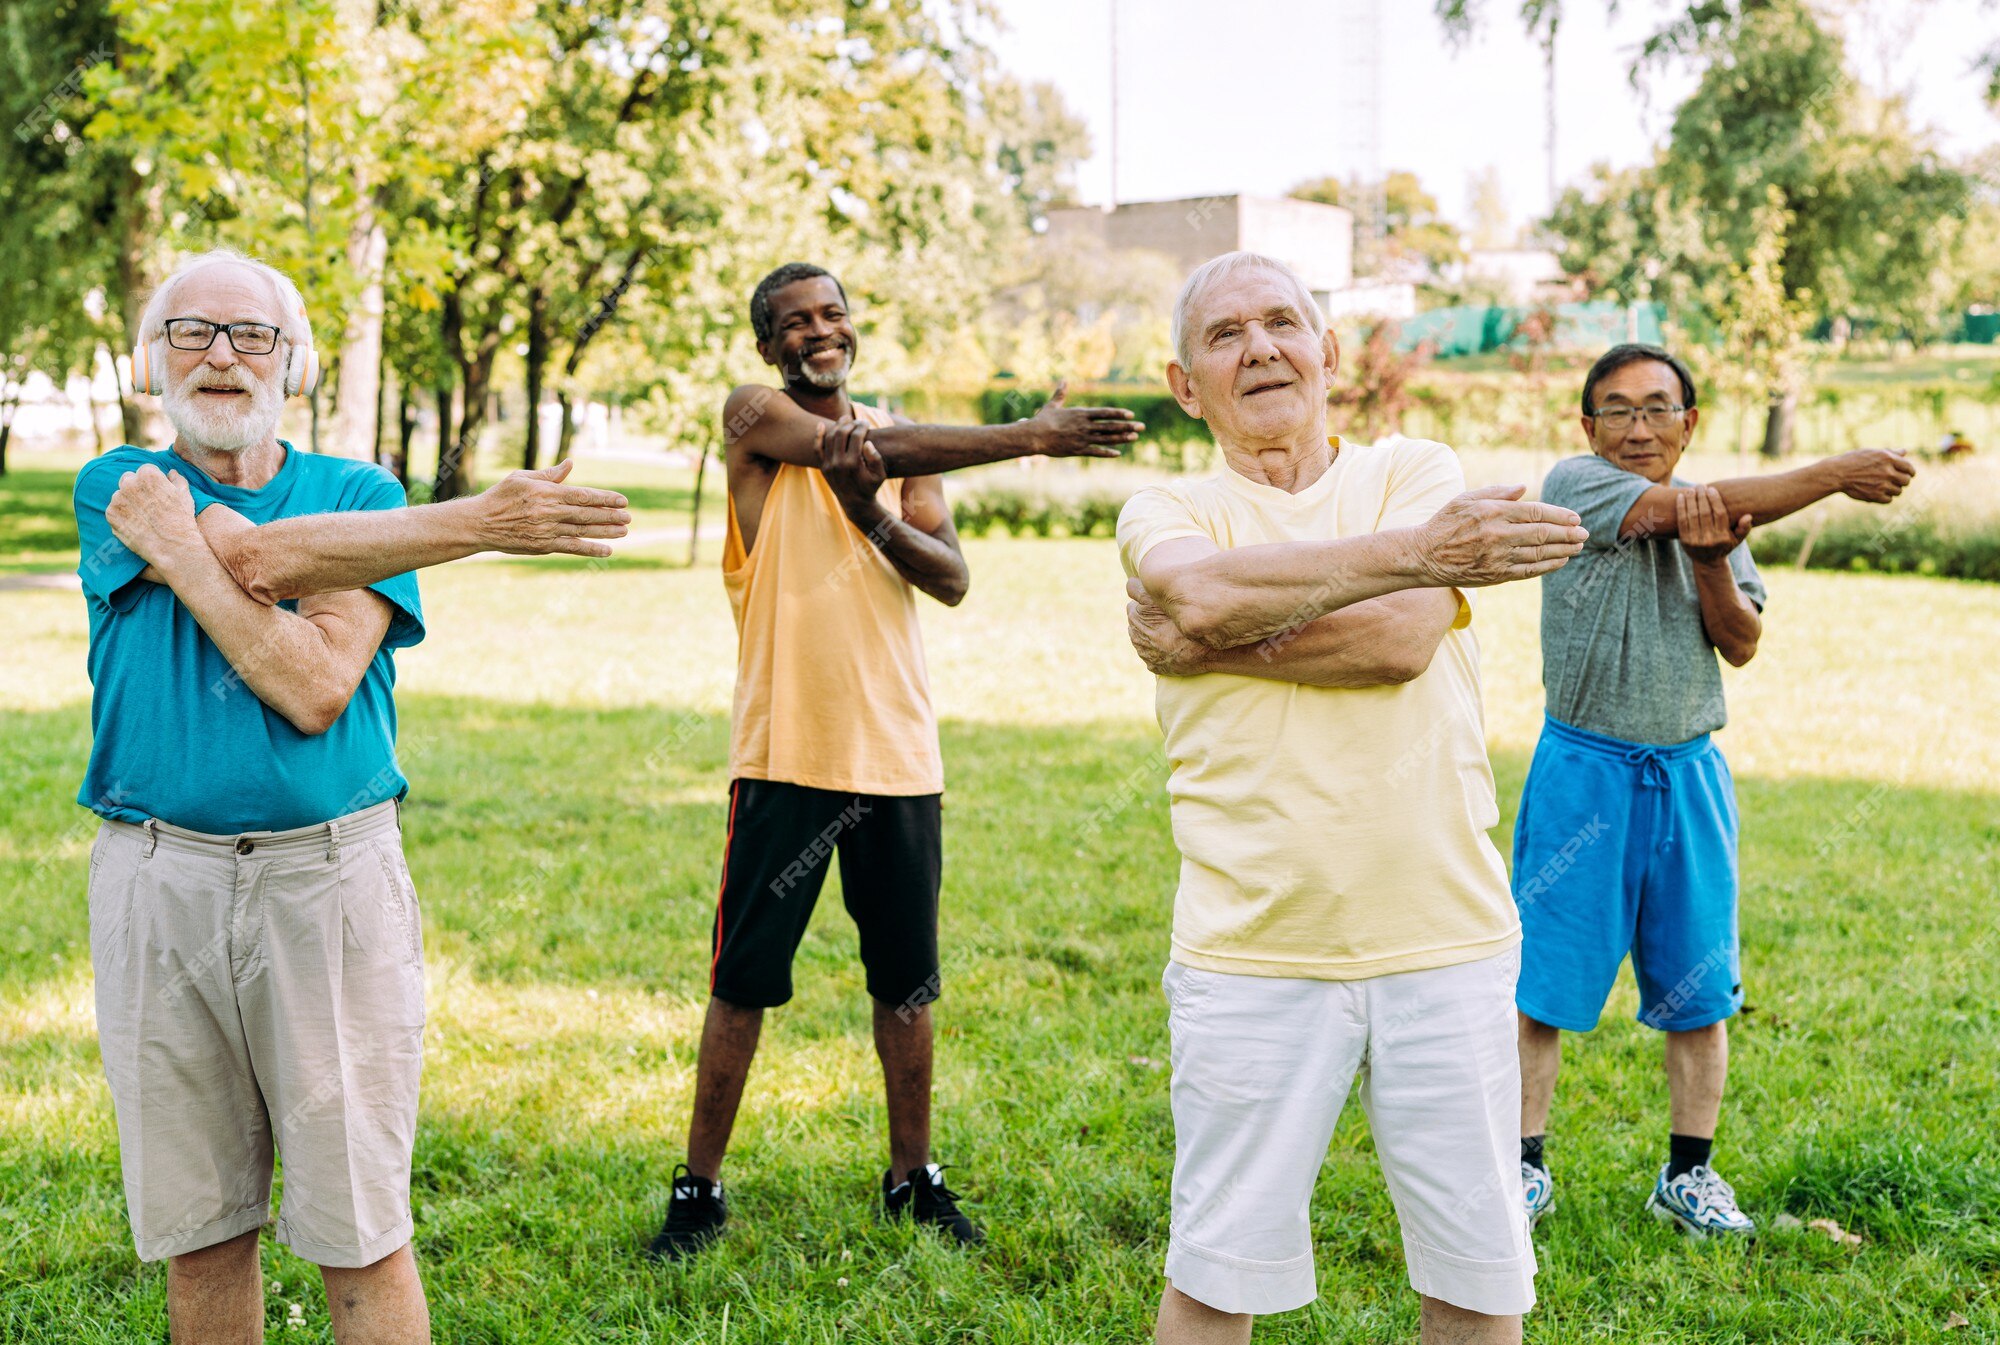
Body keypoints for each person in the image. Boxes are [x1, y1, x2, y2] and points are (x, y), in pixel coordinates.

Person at [75, 248, 631, 1344]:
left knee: (359, 1229)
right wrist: (478, 521)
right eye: (191, 332)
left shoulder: (361, 495)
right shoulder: (118, 488)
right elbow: (263, 565)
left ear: (298, 362)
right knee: (201, 1234)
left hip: (323, 884)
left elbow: (316, 685)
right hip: (158, 883)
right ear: (152, 360)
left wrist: (191, 557)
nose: (221, 355)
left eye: (252, 336)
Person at [1118, 250, 1588, 1345]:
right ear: (1185, 385)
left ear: (1327, 351)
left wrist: (1209, 643)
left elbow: (1400, 637)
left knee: (1477, 1281)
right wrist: (1419, 556)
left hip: (1443, 941)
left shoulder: (1409, 468)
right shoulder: (1166, 504)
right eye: (1223, 334)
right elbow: (1189, 586)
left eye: (1282, 322)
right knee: (1214, 1276)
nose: (1259, 348)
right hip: (1249, 951)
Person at [649, 261, 1144, 1261]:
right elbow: (847, 446)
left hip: (897, 756)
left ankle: (910, 1178)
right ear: (766, 346)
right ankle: (697, 1188)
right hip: (785, 753)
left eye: (831, 314)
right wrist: (1026, 438)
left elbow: (950, 578)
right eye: (794, 322)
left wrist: (874, 513)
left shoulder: (904, 449)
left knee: (906, 984)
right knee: (742, 980)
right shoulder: (752, 419)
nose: (817, 332)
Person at [1513, 343, 1915, 1238]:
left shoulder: (1721, 526)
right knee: (1541, 983)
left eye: (1659, 408)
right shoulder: (1577, 484)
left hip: (1689, 774)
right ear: (1588, 427)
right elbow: (1680, 508)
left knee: (1701, 990)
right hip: (1583, 771)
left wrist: (1710, 561)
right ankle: (1522, 1165)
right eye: (1617, 409)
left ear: (1689, 425)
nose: (1638, 427)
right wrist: (1839, 471)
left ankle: (1687, 1175)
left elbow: (1740, 641)